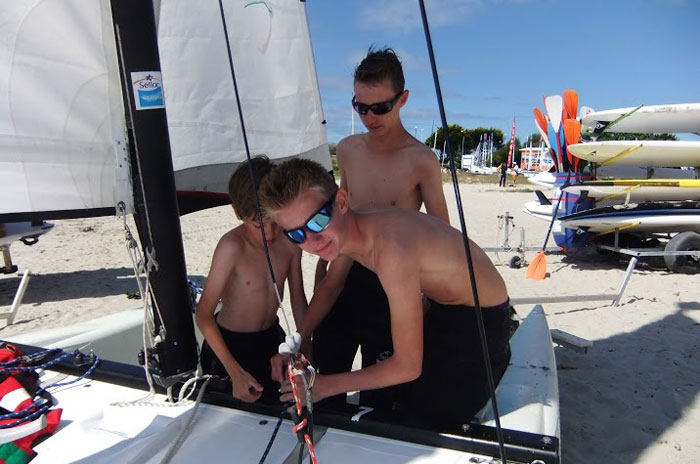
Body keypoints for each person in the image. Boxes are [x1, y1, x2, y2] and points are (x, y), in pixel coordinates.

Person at [261, 158, 514, 427]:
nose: (312, 242)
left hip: (481, 322)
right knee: (400, 397)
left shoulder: (392, 252)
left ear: (342, 202)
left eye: (317, 222)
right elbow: (330, 286)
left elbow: (407, 365)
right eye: (296, 235)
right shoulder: (352, 225)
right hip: (444, 306)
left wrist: (323, 386)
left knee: (423, 417)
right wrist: (298, 341)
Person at [311, 47, 450, 411]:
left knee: (381, 396)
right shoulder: (347, 148)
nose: (370, 116)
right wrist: (322, 269)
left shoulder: (421, 160)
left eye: (380, 108)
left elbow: (442, 233)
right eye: (361, 107)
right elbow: (343, 210)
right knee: (326, 376)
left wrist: (430, 298)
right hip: (343, 276)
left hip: (392, 284)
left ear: (402, 99)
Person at [195, 155, 307, 404]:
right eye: (258, 226)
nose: (269, 233)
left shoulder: (290, 244)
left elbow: (298, 300)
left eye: (275, 222)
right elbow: (203, 315)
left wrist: (304, 349)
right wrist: (234, 372)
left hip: (271, 341)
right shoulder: (231, 247)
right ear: (237, 212)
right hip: (229, 348)